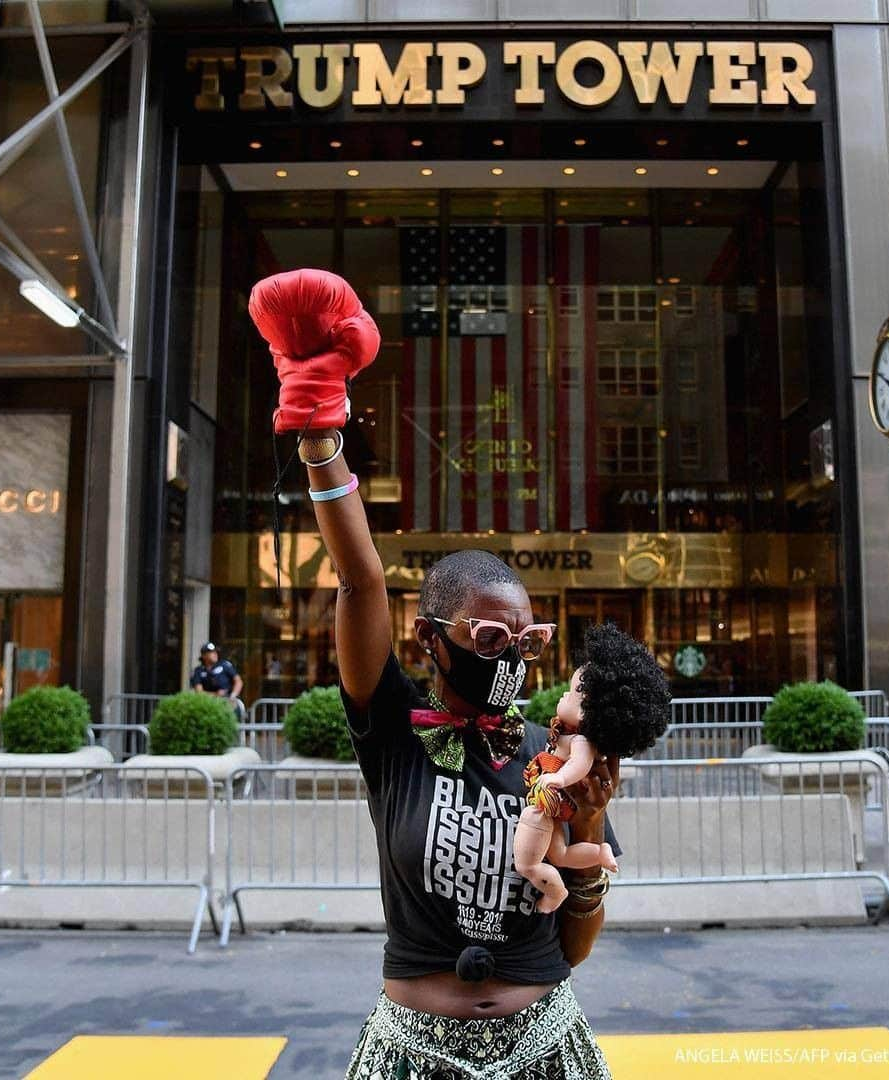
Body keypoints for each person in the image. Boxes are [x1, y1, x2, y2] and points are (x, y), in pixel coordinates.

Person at [249, 268, 624, 1079]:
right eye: (491, 638)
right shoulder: (393, 733)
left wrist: (588, 832)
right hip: (411, 1054)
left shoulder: (552, 757)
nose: (512, 661)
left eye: (527, 645)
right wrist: (319, 438)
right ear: (430, 640)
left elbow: (575, 946)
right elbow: (361, 581)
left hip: (544, 1048)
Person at [514, 624, 670, 914]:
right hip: (554, 803)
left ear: (589, 712)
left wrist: (558, 778)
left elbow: (578, 765)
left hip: (547, 802)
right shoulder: (568, 733)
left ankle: (555, 890)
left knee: (527, 862)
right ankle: (599, 852)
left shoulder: (582, 742)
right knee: (558, 854)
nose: (562, 696)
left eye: (571, 694)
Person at [189, 643, 244, 709]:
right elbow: (199, 692)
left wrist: (233, 695)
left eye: (215, 651)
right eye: (211, 652)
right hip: (209, 703)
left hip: (229, 702)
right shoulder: (199, 670)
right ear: (204, 655)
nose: (215, 654)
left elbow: (238, 681)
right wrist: (216, 694)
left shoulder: (224, 665)